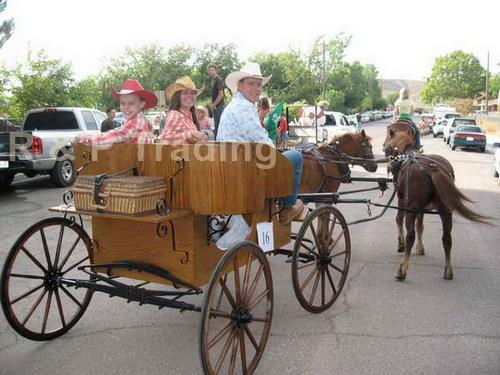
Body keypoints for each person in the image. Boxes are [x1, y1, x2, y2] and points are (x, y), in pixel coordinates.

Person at [217, 62, 304, 225]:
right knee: (297, 157)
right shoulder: (244, 107)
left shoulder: (232, 106)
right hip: (246, 170)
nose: (257, 88)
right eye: (251, 83)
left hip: (231, 165)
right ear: (239, 86)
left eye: (259, 84)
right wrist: (277, 153)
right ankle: (287, 207)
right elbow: (262, 142)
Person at [76, 79, 156, 145]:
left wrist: (86, 138)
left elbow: (118, 134)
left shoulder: (136, 122)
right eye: (122, 103)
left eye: (131, 103)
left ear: (141, 104)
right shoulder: (142, 121)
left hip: (133, 162)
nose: (126, 107)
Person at [159, 76, 208, 144]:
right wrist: (191, 134)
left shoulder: (190, 115)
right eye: (185, 93)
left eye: (192, 93)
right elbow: (166, 138)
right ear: (177, 96)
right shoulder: (175, 114)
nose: (189, 96)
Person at [207, 64, 225, 137]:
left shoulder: (218, 80)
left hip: (219, 106)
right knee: (216, 126)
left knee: (220, 126)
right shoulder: (213, 80)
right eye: (209, 70)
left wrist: (213, 104)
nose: (210, 72)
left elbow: (221, 95)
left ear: (216, 71)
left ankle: (220, 144)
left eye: (212, 70)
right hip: (216, 107)